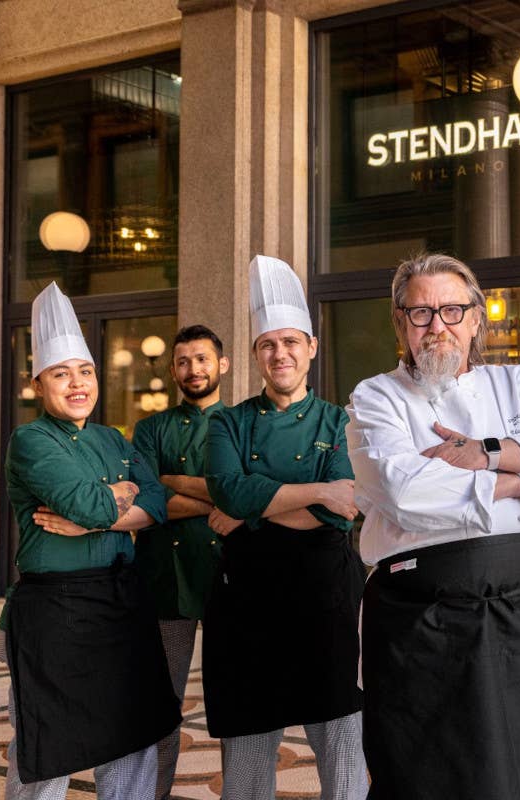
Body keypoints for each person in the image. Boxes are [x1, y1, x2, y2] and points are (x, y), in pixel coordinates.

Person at [346, 252, 520, 800]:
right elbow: (406, 492)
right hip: (421, 620)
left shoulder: (515, 383)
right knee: (428, 774)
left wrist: (485, 453)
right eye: (421, 313)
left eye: (453, 311)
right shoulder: (376, 397)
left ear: (477, 319)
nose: (438, 326)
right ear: (400, 323)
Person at [2, 281, 179, 798]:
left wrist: (101, 515)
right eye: (61, 374)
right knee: (48, 746)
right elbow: (94, 503)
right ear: (38, 384)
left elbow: (158, 503)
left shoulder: (112, 439)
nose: (77, 383)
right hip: (55, 613)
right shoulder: (31, 440)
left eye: (84, 372)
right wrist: (115, 499)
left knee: (133, 736)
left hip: (120, 604)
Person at [203, 255, 368, 800]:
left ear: (312, 348)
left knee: (341, 745)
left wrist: (255, 508)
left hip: (326, 600)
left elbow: (347, 503)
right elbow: (229, 489)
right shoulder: (229, 420)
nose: (280, 354)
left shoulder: (340, 420)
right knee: (249, 760)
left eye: (291, 342)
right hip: (247, 605)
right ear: (255, 354)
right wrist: (318, 490)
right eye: (268, 344)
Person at [132, 324, 230, 800]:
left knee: (237, 698)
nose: (193, 370)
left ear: (222, 365)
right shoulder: (151, 428)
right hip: (166, 582)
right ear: (173, 370)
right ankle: (155, 793)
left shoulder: (241, 422)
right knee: (163, 700)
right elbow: (150, 503)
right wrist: (218, 497)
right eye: (185, 361)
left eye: (202, 359)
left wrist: (176, 482)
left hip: (232, 581)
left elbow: (248, 496)